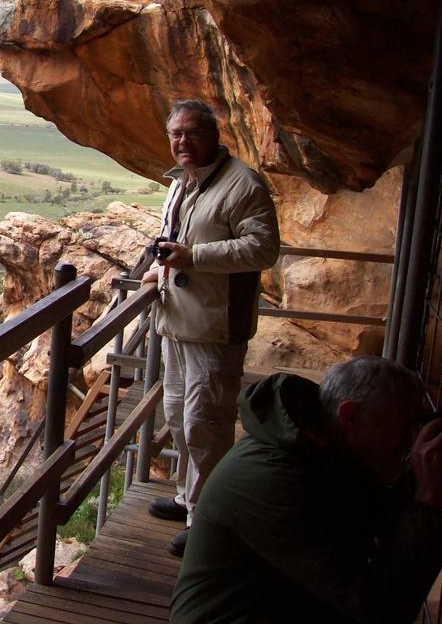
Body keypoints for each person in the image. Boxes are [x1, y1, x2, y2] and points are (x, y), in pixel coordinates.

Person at [171, 356, 442, 623]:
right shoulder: (277, 480)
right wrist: (428, 499)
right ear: (350, 416)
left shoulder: (316, 447)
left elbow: (381, 515)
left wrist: (420, 479)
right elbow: (380, 610)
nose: (411, 443)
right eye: (404, 429)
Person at [141, 99, 279, 556]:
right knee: (180, 418)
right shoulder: (183, 181)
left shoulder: (243, 184)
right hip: (179, 320)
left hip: (216, 328)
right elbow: (178, 238)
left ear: (214, 135)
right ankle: (188, 499)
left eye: (192, 133)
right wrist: (159, 270)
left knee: (208, 424)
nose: (183, 141)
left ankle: (208, 524)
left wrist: (194, 257)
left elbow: (262, 249)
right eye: (175, 134)